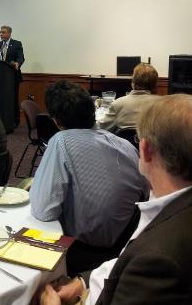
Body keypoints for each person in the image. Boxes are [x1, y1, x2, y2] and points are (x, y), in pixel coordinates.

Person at [40, 94, 192, 305]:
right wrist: (82, 283)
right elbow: (124, 262)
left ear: (146, 150)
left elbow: (43, 209)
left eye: (138, 140)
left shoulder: (160, 258)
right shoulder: (164, 206)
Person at [30, 80, 149, 275]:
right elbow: (145, 193)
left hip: (81, 253)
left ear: (56, 120)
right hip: (126, 251)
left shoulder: (61, 142)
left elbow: (43, 210)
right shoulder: (125, 145)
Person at [98, 63, 158, 131]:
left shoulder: (117, 104)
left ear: (133, 82)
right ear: (155, 85)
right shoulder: (162, 105)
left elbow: (101, 127)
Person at [0, 25, 24, 126]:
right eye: (0, 32)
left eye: (3, 32)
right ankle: (1, 119)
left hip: (12, 77)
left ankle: (15, 120)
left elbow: (20, 57)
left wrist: (18, 63)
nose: (1, 34)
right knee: (0, 98)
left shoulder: (17, 44)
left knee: (13, 99)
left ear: (9, 33)